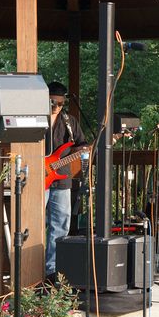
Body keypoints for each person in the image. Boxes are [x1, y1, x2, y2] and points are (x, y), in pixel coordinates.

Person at [44, 82, 87, 282]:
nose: (56, 107)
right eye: (52, 102)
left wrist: (82, 151)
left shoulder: (70, 121)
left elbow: (81, 144)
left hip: (62, 178)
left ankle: (52, 271)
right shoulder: (35, 119)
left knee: (60, 225)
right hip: (39, 177)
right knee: (34, 225)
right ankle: (31, 268)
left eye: (60, 103)